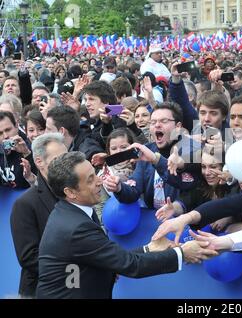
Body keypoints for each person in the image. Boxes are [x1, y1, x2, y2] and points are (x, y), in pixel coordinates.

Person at [36, 151, 217, 299]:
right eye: (90, 179)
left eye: (95, 174)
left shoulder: (72, 212)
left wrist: (149, 249)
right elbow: (130, 265)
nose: (99, 181)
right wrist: (182, 253)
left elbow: (105, 258)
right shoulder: (75, 226)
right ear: (70, 192)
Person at [10, 133, 67, 298]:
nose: (67, 163)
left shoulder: (76, 194)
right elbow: (29, 257)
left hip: (76, 287)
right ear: (39, 162)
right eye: (59, 158)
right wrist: (75, 266)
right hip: (40, 290)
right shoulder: (25, 204)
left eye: (67, 156)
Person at [0, 111, 34, 188]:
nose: (5, 136)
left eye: (8, 130)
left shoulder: (31, 145)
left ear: (16, 126)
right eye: (0, 133)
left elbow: (41, 182)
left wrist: (27, 153)